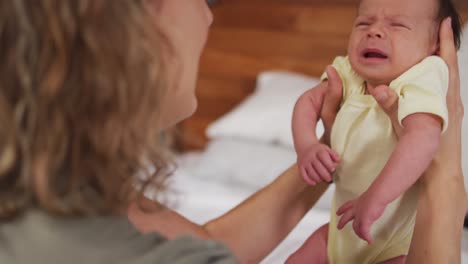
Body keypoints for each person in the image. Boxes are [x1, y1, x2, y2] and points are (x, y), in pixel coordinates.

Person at [0, 1, 465, 264]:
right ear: (135, 25)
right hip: (344, 230)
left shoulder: (55, 199)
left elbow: (206, 239)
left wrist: (326, 150)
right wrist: (446, 179)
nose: (208, 15)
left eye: (396, 24)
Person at [287, 0, 463, 263]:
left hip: (395, 243)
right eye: (364, 23)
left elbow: (424, 137)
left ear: (435, 43)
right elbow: (308, 102)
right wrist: (307, 146)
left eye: (398, 24)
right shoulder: (348, 71)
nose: (374, 31)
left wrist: (376, 198)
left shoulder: (423, 75)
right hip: (341, 232)